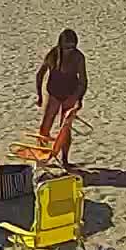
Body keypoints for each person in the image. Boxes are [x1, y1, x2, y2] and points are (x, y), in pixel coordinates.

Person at [35, 28, 87, 166]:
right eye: (67, 47)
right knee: (46, 124)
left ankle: (65, 159)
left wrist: (79, 99)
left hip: (70, 92)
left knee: (65, 128)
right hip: (54, 92)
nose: (70, 50)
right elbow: (40, 74)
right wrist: (39, 95)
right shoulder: (53, 55)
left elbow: (83, 80)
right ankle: (41, 154)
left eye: (72, 47)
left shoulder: (78, 57)